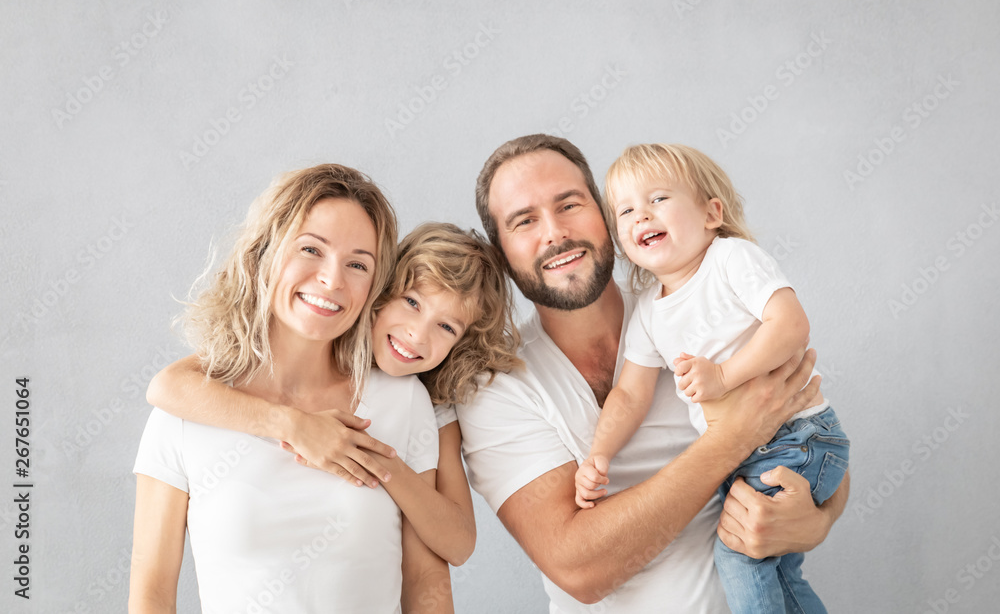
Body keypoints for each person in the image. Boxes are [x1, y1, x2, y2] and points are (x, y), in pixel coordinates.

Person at [456, 134, 850, 612]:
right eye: (524, 221)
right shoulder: (495, 388)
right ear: (500, 252)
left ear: (605, 213)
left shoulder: (689, 295)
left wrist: (819, 519)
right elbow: (580, 569)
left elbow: (801, 418)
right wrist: (733, 436)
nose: (555, 232)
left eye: (570, 204)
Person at [141, 220, 520, 599]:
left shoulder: (419, 401)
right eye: (412, 302)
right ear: (381, 292)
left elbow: (451, 550)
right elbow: (165, 386)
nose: (418, 334)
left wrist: (380, 461)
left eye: (446, 327)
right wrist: (295, 426)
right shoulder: (200, 403)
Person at [130, 164, 444, 613]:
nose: (332, 280)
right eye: (311, 249)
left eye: (357, 264)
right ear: (264, 252)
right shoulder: (186, 411)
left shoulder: (400, 400)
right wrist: (292, 425)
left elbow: (426, 579)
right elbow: (152, 590)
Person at [574, 143, 849, 613]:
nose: (641, 215)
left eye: (658, 199)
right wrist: (599, 454)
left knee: (739, 556)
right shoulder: (647, 310)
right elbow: (629, 395)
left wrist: (723, 376)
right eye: (625, 210)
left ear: (711, 213)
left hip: (797, 438)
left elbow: (790, 325)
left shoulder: (731, 259)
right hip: (744, 455)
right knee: (778, 573)